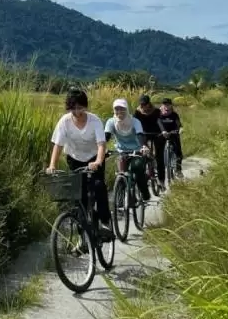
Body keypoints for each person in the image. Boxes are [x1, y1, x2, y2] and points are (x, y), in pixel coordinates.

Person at [46, 87, 114, 240]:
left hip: (94, 159)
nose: (78, 111)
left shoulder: (94, 120)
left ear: (85, 106)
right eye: (74, 108)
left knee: (98, 186)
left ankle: (105, 222)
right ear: (69, 108)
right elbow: (58, 145)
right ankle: (82, 238)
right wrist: (52, 165)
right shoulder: (64, 121)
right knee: (78, 197)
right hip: (74, 158)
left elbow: (101, 144)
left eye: (81, 107)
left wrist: (98, 161)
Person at [104, 98, 150, 205]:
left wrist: (143, 146)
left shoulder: (135, 121)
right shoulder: (111, 122)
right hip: (121, 151)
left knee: (137, 168)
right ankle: (122, 198)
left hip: (137, 151)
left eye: (122, 109)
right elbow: (106, 136)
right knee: (121, 174)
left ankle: (144, 192)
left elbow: (140, 135)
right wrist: (102, 148)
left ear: (127, 109)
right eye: (117, 109)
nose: (119, 112)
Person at [134, 94, 166, 189]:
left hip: (157, 134)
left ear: (149, 104)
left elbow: (159, 121)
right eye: (141, 105)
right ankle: (145, 174)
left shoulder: (156, 111)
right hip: (144, 134)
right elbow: (134, 123)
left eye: (144, 104)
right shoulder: (137, 112)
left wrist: (163, 131)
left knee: (159, 157)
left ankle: (161, 181)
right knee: (141, 154)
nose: (142, 106)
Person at [158, 97, 184, 177]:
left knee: (178, 152)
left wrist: (180, 129)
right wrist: (163, 131)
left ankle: (178, 170)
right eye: (164, 104)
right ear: (162, 105)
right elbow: (159, 123)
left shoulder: (174, 114)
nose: (166, 106)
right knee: (158, 152)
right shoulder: (159, 114)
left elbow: (178, 123)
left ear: (171, 105)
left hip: (173, 133)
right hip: (162, 133)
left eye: (168, 105)